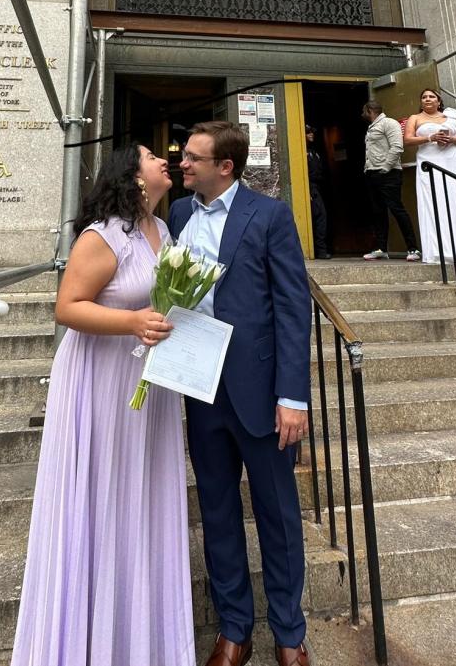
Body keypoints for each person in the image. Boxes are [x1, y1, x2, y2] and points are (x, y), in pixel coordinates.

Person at [9, 144, 195, 666]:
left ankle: (139, 639)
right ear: (132, 177)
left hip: (147, 379)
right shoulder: (105, 235)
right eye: (152, 156)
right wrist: (133, 322)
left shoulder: (164, 232)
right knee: (103, 487)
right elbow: (67, 307)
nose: (166, 160)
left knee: (140, 491)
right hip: (102, 378)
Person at [169, 121, 313, 666]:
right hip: (200, 388)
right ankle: (234, 629)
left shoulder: (270, 216)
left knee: (278, 516)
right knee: (218, 510)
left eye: (192, 160)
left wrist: (293, 397)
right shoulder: (179, 214)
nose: (182, 165)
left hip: (260, 393)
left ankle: (289, 633)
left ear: (224, 167)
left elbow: (293, 309)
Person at [404, 88, 456, 264]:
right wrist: (430, 138)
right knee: (435, 201)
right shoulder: (415, 118)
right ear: (421, 102)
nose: (427, 99)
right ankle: (438, 250)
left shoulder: (451, 117)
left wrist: (452, 139)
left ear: (438, 101)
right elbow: (407, 140)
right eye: (424, 96)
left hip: (453, 161)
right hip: (430, 161)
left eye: (431, 96)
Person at [361, 100, 420, 262]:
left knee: (396, 209)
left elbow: (397, 147)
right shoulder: (372, 126)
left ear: (370, 110)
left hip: (388, 174)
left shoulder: (389, 123)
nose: (362, 115)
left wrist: (385, 167)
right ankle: (381, 249)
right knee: (378, 212)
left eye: (364, 111)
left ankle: (413, 248)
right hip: (372, 173)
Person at [305, 125, 331, 259]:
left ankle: (321, 249)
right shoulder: (302, 153)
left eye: (312, 132)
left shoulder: (315, 152)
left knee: (321, 217)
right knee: (320, 216)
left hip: (318, 187)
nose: (311, 135)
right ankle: (320, 251)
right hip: (311, 187)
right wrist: (308, 189)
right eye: (308, 132)